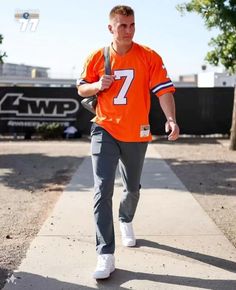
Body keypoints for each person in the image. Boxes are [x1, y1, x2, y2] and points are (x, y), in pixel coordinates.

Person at [77, 5, 180, 279]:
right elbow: (81, 88)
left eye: (132, 24)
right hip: (105, 128)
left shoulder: (148, 56)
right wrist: (98, 85)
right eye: (122, 25)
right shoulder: (97, 56)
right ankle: (105, 254)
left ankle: (125, 219)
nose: (129, 30)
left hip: (137, 132)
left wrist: (170, 119)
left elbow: (163, 90)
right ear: (110, 28)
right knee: (102, 188)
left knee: (132, 188)